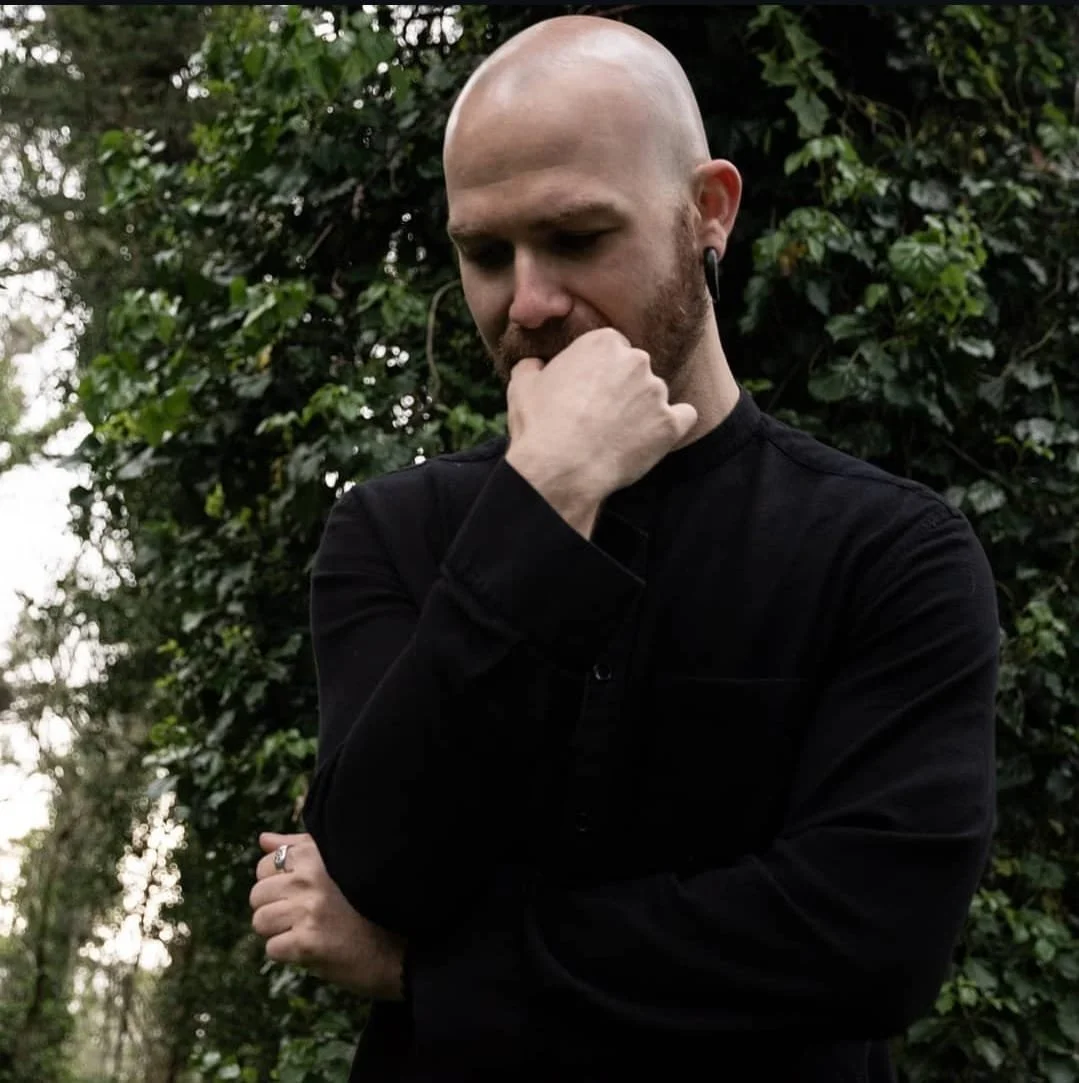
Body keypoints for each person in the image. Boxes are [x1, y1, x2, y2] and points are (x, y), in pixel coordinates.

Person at [249, 14, 999, 1082]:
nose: (529, 302)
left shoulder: (888, 554)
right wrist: (545, 499)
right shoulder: (391, 534)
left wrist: (429, 973)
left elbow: (866, 942)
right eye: (483, 255)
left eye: (575, 238)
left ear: (709, 212)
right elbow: (374, 866)